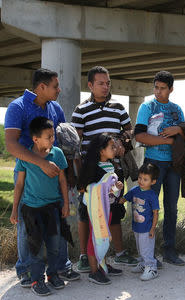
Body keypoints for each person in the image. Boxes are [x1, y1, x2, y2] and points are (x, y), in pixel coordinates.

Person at [4, 68, 80, 287]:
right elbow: (11, 145)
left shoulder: (54, 107)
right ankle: (27, 270)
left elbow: (62, 139)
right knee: (28, 224)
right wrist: (41, 163)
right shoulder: (17, 107)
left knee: (59, 219)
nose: (59, 90)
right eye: (55, 86)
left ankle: (60, 267)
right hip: (28, 174)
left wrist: (67, 170)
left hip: (54, 174)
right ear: (41, 87)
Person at [71, 66, 137, 272]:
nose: (105, 86)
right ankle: (84, 256)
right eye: (101, 83)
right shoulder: (81, 110)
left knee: (114, 211)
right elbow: (75, 141)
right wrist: (79, 173)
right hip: (91, 171)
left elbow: (130, 131)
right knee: (86, 213)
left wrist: (122, 141)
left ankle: (118, 254)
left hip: (114, 169)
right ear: (90, 85)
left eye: (108, 82)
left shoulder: (118, 108)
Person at [10, 117, 70, 296]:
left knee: (54, 246)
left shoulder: (57, 154)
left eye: (53, 136)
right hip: (32, 210)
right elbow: (19, 185)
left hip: (53, 208)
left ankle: (52, 275)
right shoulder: (25, 157)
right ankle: (37, 279)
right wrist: (15, 209)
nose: (52, 140)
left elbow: (63, 180)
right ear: (35, 139)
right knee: (36, 248)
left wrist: (66, 203)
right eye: (48, 137)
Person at [135, 70, 185, 266]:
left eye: (162, 88)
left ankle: (169, 251)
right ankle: (148, 255)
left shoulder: (177, 109)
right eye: (156, 87)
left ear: (171, 89)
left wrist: (179, 129)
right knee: (147, 207)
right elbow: (139, 136)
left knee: (171, 208)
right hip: (152, 163)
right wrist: (169, 140)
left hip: (174, 164)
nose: (158, 91)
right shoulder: (147, 106)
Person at [77, 133, 124, 285]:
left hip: (107, 208)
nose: (115, 149)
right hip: (96, 210)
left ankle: (102, 265)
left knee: (104, 236)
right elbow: (85, 188)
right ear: (101, 150)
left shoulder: (110, 165)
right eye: (112, 147)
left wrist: (117, 187)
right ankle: (94, 271)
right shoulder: (92, 167)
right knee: (95, 237)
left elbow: (110, 188)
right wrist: (106, 187)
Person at [119, 163, 160, 280]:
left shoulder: (152, 195)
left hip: (147, 228)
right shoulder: (134, 190)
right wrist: (114, 193)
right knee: (140, 248)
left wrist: (153, 228)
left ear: (153, 182)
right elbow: (123, 199)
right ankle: (143, 264)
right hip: (137, 226)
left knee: (146, 248)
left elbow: (155, 213)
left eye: (145, 179)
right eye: (140, 178)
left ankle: (152, 268)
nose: (141, 181)